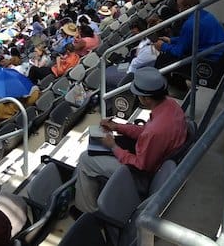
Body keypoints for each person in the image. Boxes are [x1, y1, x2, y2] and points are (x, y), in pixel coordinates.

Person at [71, 69, 188, 214]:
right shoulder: (171, 104)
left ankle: (87, 211)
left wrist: (113, 146)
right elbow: (145, 131)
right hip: (159, 160)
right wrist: (118, 127)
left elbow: (140, 165)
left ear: (146, 99)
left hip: (142, 176)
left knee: (85, 159)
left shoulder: (155, 131)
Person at [154, 0, 224, 70]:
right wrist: (171, 40)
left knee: (162, 61)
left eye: (179, 7)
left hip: (210, 60)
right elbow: (189, 39)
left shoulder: (190, 24)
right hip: (221, 53)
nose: (178, 10)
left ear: (187, 7)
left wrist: (163, 46)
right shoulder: (206, 14)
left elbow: (178, 52)